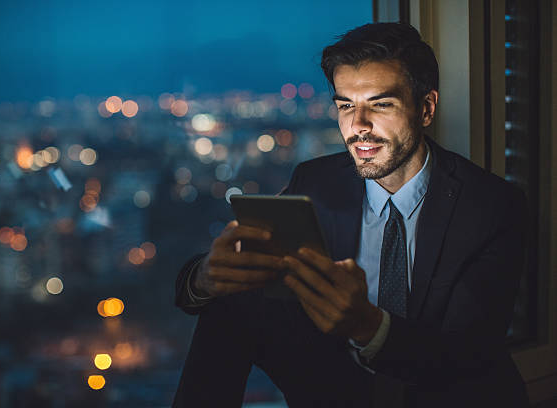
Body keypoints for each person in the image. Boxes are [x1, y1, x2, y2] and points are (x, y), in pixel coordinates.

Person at [173, 22, 529, 408]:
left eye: (380, 104)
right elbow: (213, 293)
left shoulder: (492, 204)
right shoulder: (316, 180)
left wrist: (367, 326)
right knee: (228, 301)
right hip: (338, 385)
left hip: (445, 393)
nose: (358, 126)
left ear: (425, 108)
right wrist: (207, 277)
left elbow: (467, 354)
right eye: (346, 105)